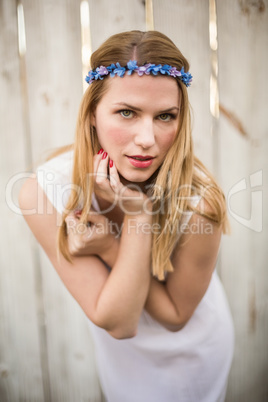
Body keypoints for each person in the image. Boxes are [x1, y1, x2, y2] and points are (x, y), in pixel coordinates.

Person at [19, 30, 234, 402]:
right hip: (122, 358)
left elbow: (175, 315)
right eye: (127, 112)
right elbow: (118, 322)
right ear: (91, 114)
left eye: (165, 116)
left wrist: (125, 230)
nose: (147, 138)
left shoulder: (201, 202)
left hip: (190, 353)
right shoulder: (45, 191)